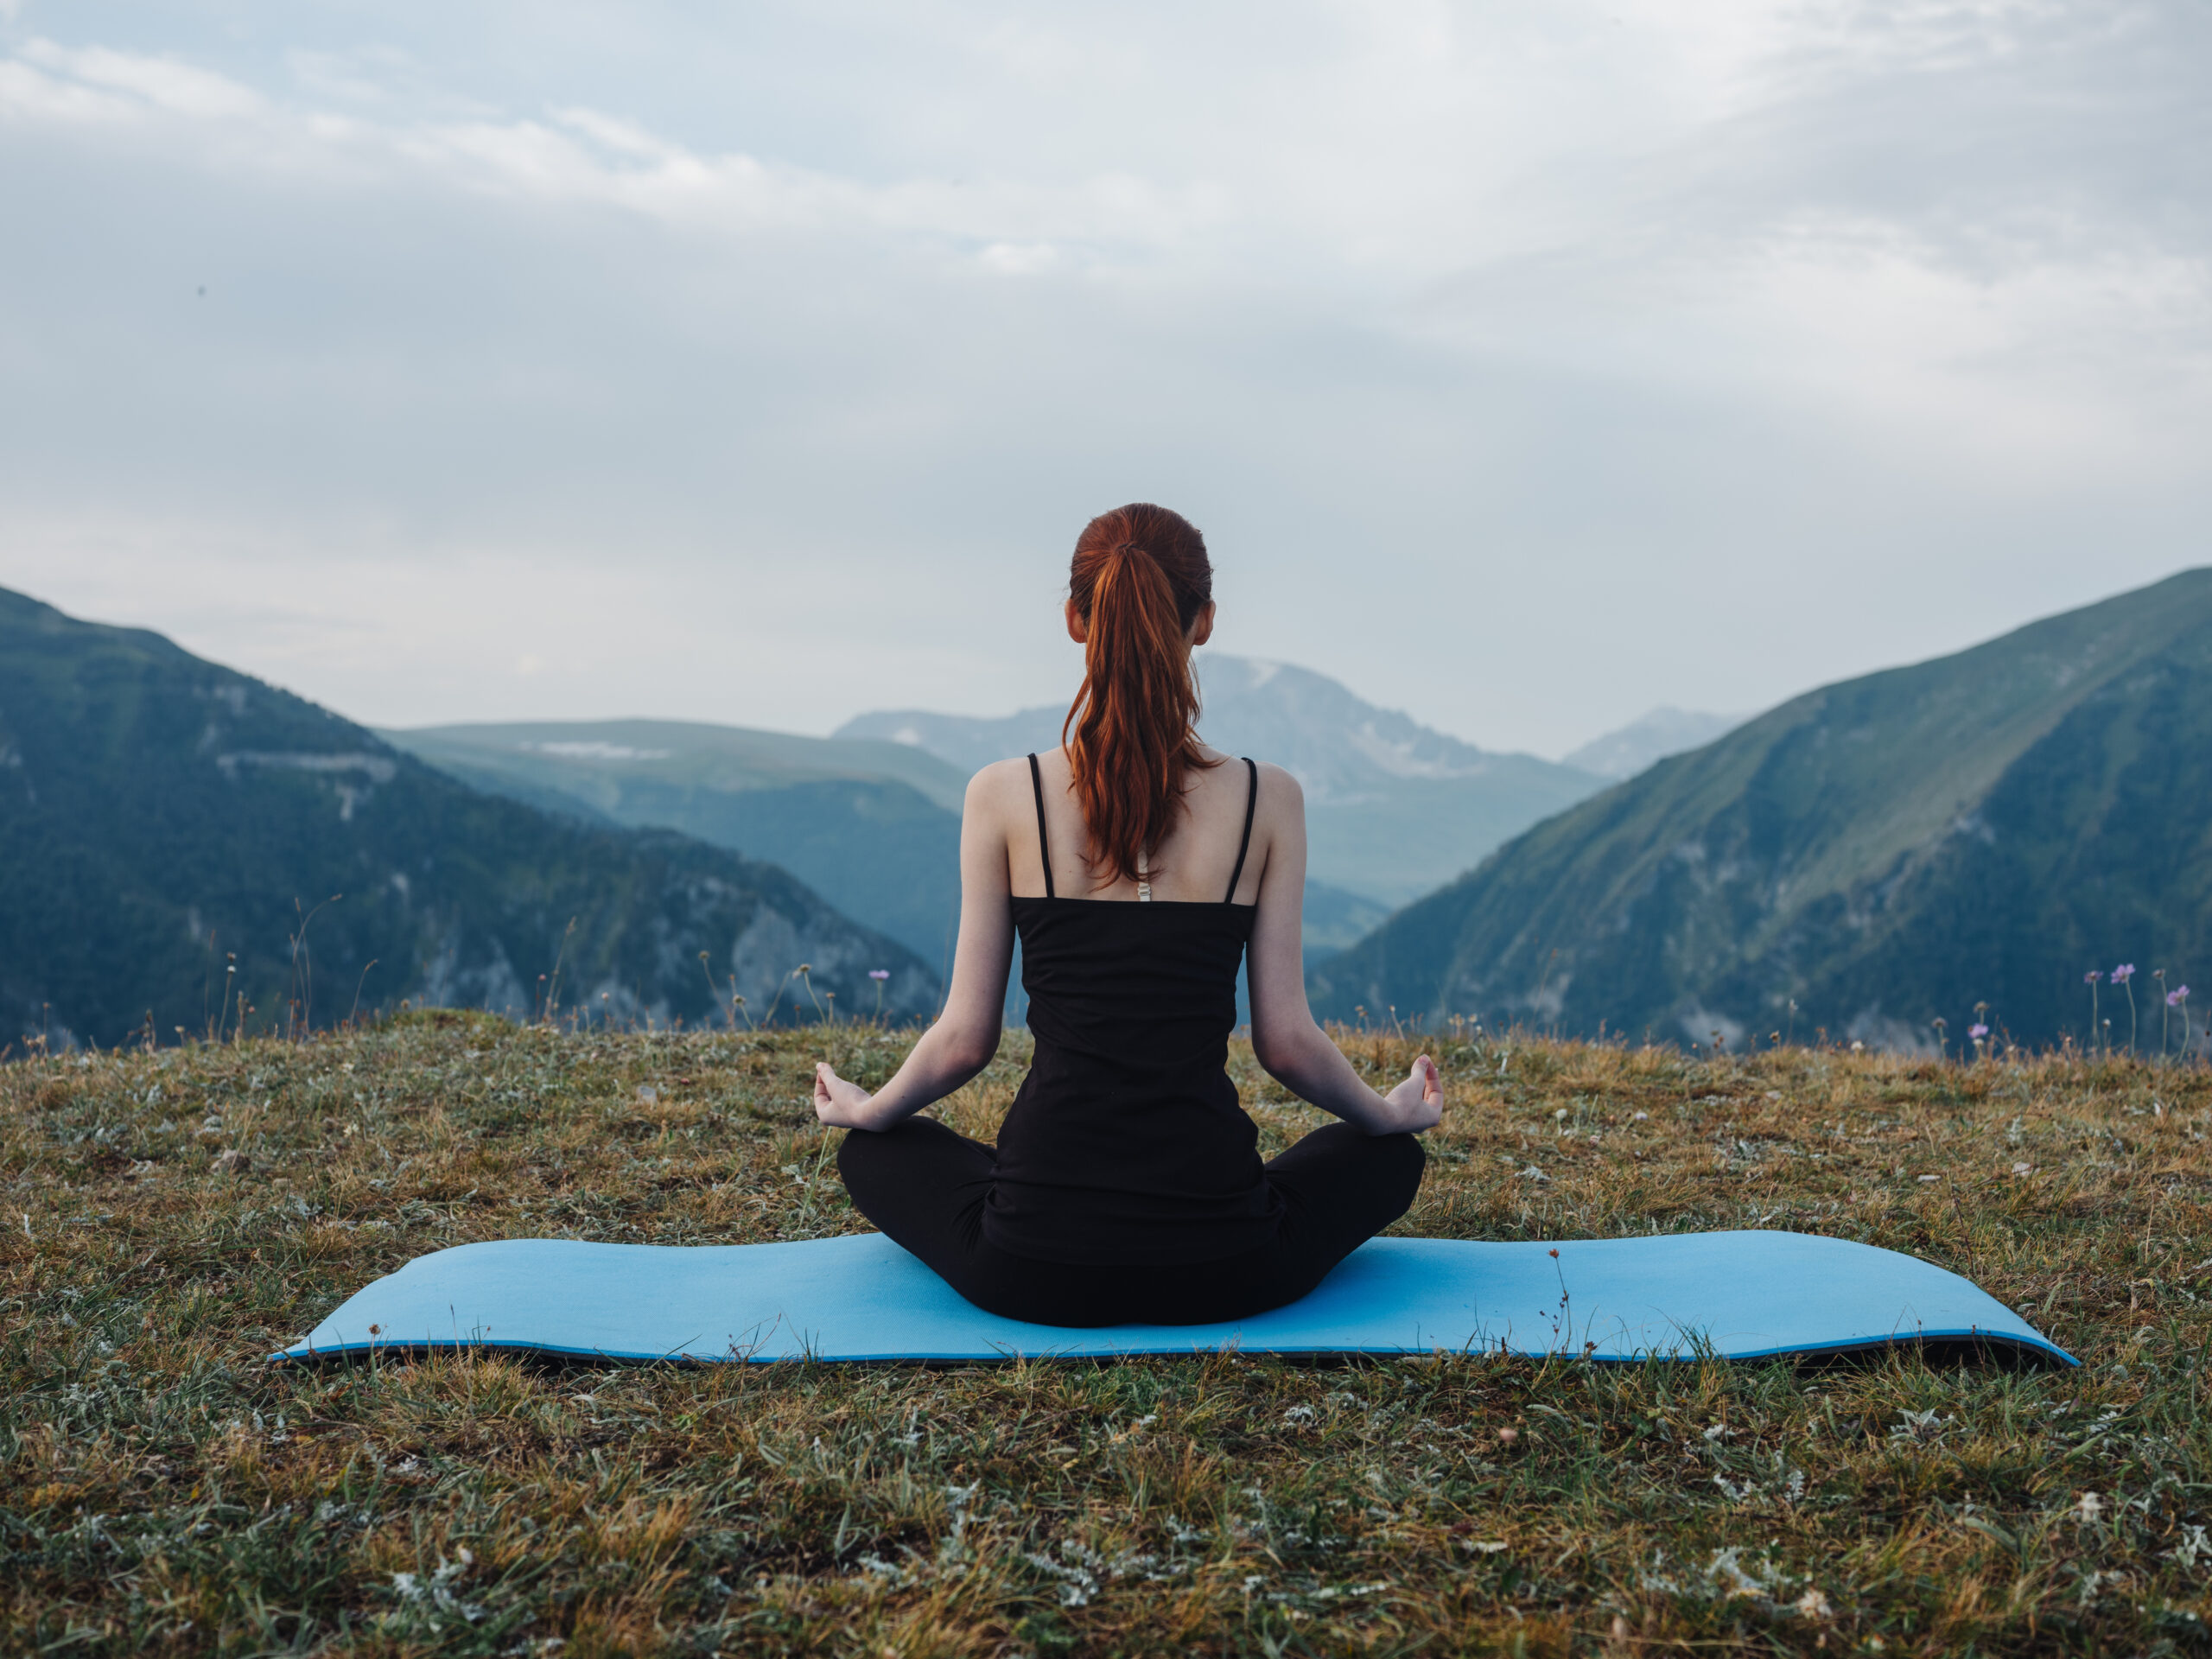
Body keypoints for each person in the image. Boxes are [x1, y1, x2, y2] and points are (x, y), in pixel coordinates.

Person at [813, 503, 1442, 1327]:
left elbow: (966, 1042)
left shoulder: (1003, 796)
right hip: (1230, 1266)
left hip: (1032, 1266)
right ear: (1205, 622)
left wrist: (870, 1109)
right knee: (1386, 1161)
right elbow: (1285, 1045)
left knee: (876, 1151)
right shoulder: (1268, 800)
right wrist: (1389, 1115)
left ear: (1077, 619)